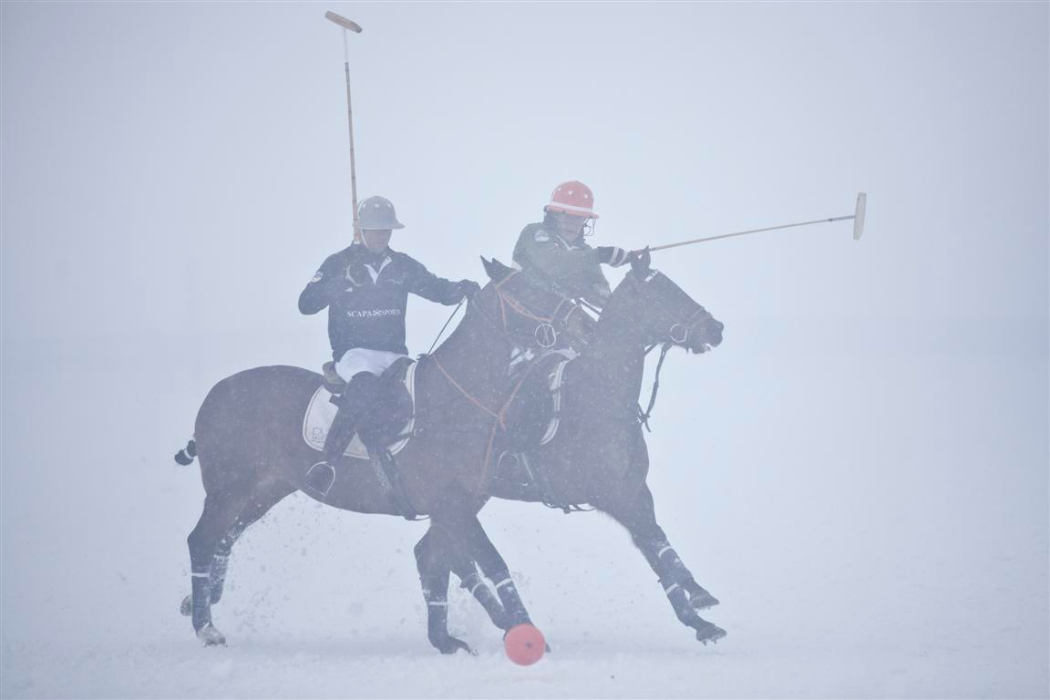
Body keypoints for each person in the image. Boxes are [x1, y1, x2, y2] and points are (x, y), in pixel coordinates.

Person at [299, 195, 480, 493]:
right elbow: (306, 304)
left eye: (387, 230)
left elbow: (437, 289)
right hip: (353, 353)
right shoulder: (338, 263)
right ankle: (327, 464)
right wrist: (340, 282)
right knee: (364, 386)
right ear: (361, 230)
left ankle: (405, 459)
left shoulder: (402, 265)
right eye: (376, 229)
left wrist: (462, 289)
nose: (382, 235)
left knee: (421, 393)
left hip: (395, 354)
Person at [512, 181, 630, 309]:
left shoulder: (585, 251)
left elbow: (601, 296)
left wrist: (631, 284)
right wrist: (600, 255)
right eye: (567, 216)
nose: (572, 224)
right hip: (518, 309)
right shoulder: (535, 232)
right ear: (554, 215)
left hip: (554, 318)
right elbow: (552, 263)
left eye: (579, 218)